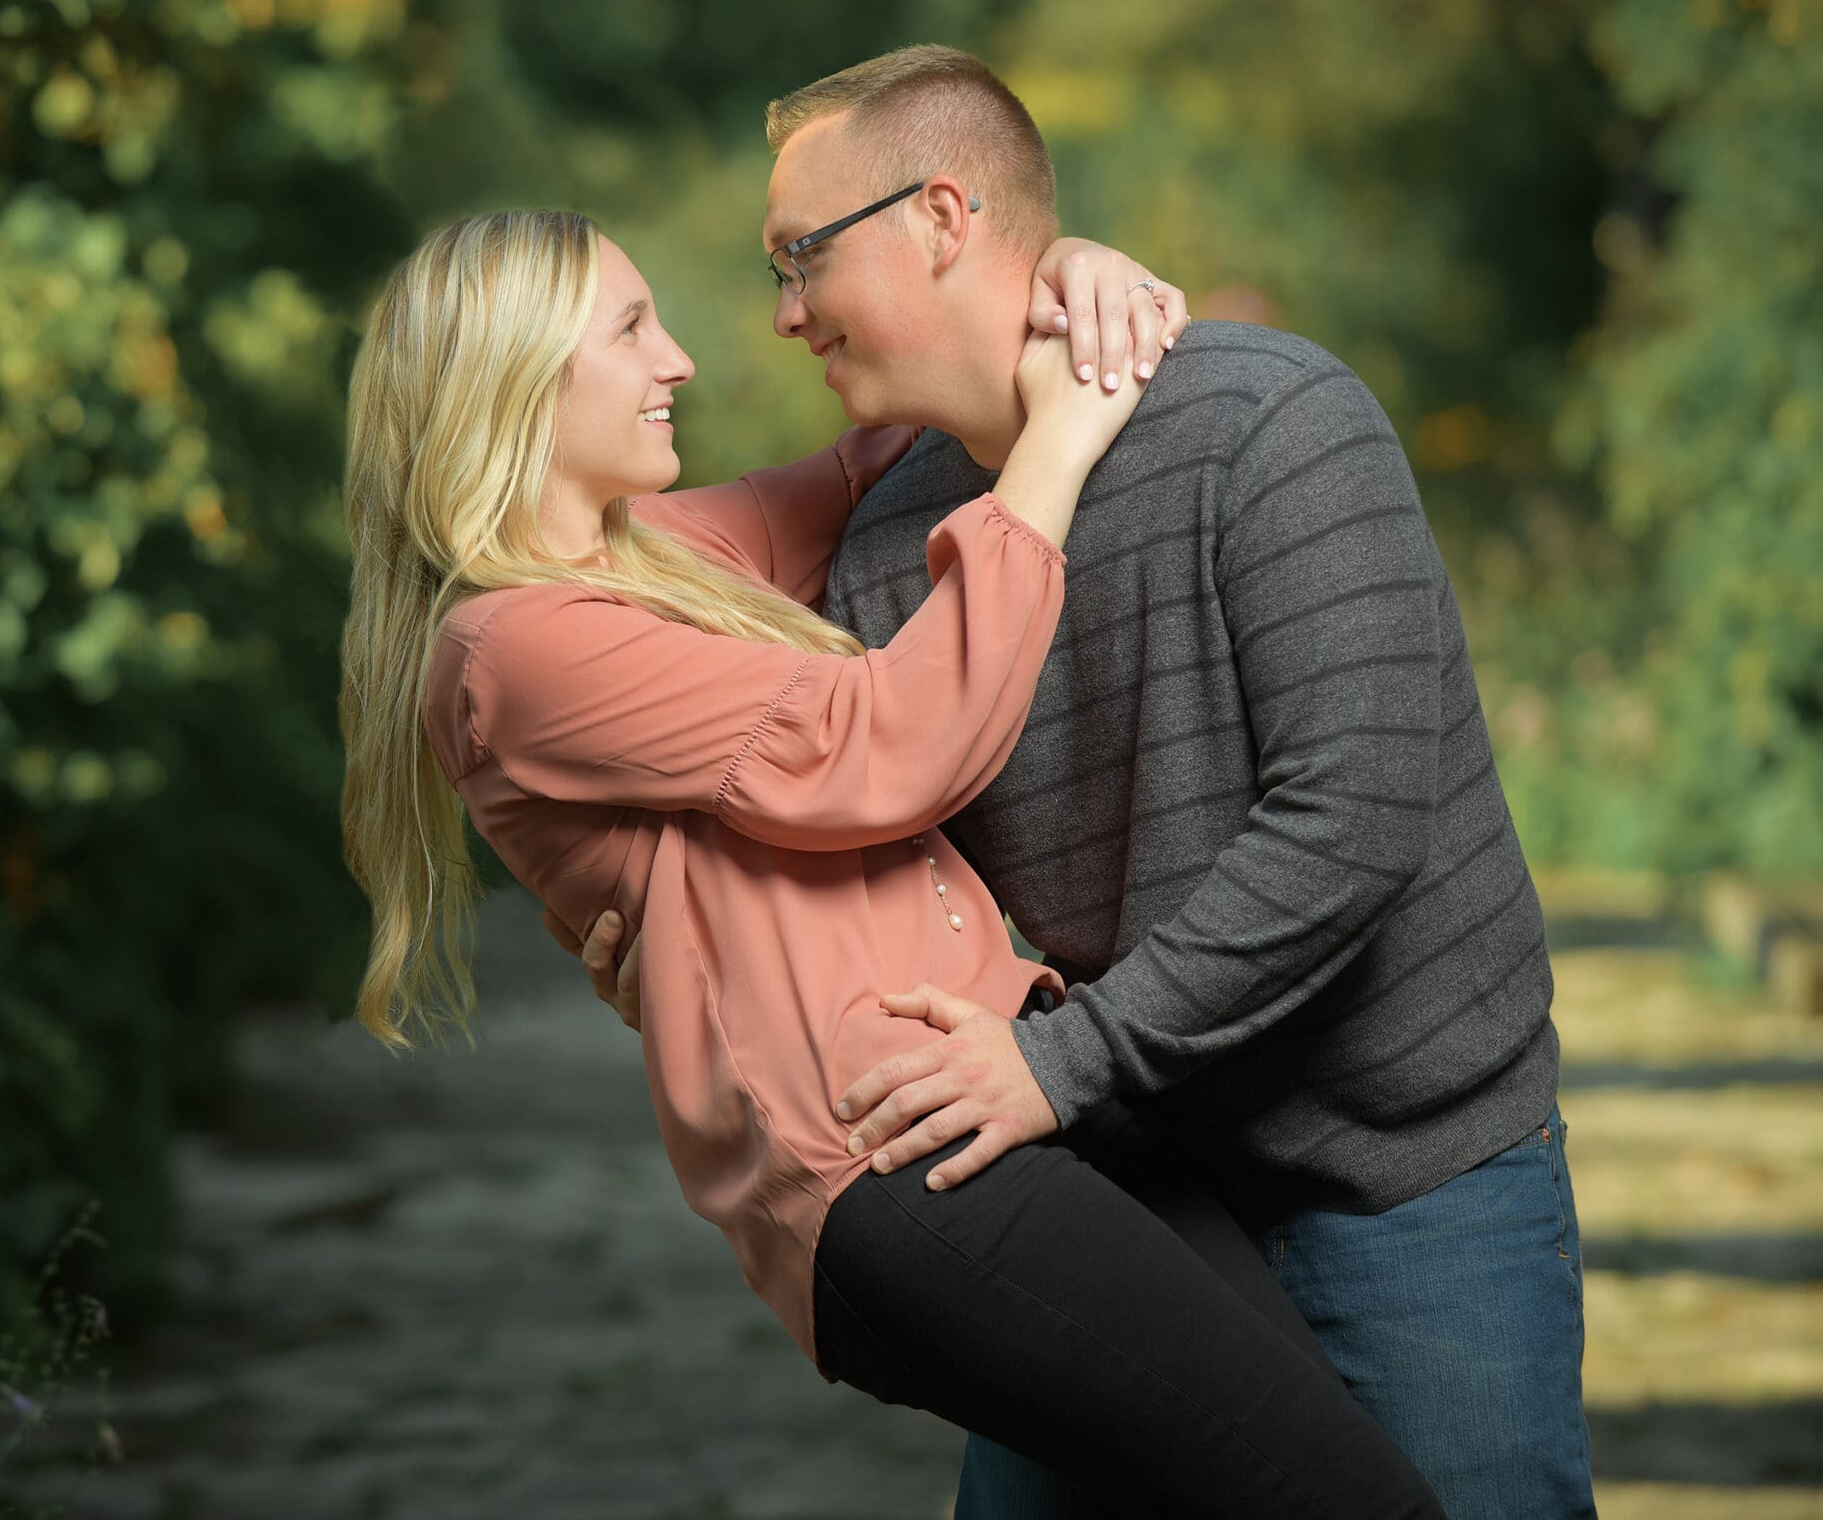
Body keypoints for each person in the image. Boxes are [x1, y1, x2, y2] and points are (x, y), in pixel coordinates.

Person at [582, 45, 1592, 1519]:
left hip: (1410, 1177)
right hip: (1127, 1197)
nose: (782, 312)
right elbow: (830, 822)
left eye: (802, 257)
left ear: (941, 217)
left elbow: (1350, 827)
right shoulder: (879, 549)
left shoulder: (1275, 428)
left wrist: (1059, 1063)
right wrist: (683, 922)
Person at [340, 206, 1446, 1517]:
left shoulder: (667, 556)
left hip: (998, 1084)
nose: (680, 359)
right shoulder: (508, 649)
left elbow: (897, 442)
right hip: (883, 1154)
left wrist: (1060, 277)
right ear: (514, 378)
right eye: (632, 329)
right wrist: (1070, 436)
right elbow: (891, 741)